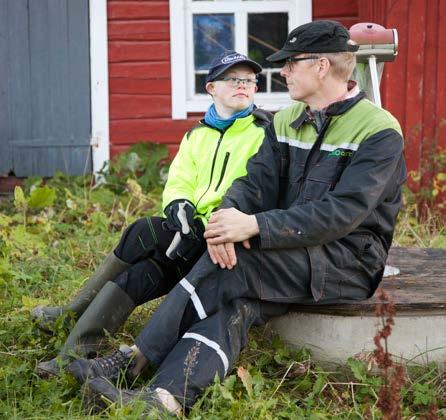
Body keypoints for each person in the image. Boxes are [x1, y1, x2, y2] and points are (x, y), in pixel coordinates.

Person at [69, 20, 406, 416]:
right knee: (237, 303)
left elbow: (343, 213)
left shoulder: (379, 131)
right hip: (290, 247)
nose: (282, 72)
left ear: (320, 66)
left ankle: (137, 357)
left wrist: (256, 227)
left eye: (290, 63)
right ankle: (165, 399)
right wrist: (226, 220)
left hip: (345, 260)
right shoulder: (286, 120)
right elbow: (253, 182)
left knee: (233, 266)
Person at [33, 50, 272, 377]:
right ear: (212, 87)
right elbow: (179, 181)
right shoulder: (197, 135)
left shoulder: (263, 133)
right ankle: (69, 358)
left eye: (249, 80)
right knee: (139, 267)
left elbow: (254, 191)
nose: (243, 86)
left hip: (224, 240)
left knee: (142, 231)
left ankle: (72, 314)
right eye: (233, 79)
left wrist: (207, 226)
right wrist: (179, 210)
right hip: (190, 231)